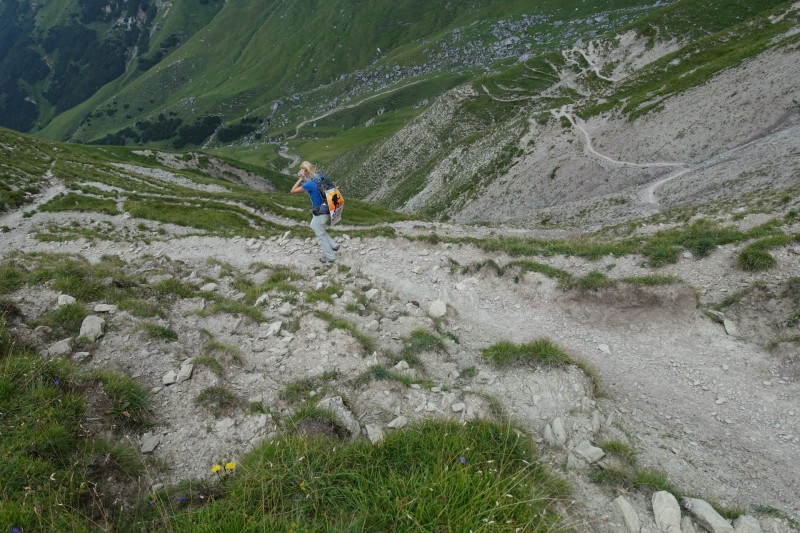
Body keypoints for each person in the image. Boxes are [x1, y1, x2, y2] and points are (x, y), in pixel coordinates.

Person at [291, 161, 340, 264]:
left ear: (304, 171)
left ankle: (330, 256)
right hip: (328, 206)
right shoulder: (320, 176)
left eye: (302, 170)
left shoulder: (309, 184)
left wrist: (301, 178)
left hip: (320, 211)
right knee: (314, 225)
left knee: (320, 234)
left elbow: (293, 191)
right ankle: (333, 245)